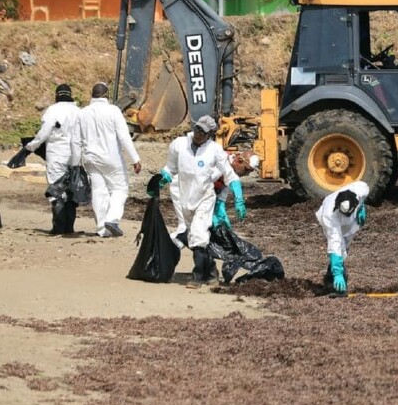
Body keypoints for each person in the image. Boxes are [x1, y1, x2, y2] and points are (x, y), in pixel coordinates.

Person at [152, 116, 243, 287]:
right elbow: (170, 169)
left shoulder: (215, 150)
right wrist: (160, 181)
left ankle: (198, 276)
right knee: (194, 237)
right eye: (197, 129)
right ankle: (211, 272)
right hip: (185, 199)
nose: (199, 134)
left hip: (205, 198)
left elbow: (230, 175)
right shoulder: (178, 145)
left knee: (198, 234)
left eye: (203, 131)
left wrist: (239, 197)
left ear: (210, 134)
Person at [70, 82, 141, 238]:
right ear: (106, 95)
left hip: (90, 159)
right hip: (111, 158)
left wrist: (75, 165)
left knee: (98, 191)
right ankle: (112, 220)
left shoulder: (82, 113)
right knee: (120, 189)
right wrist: (135, 158)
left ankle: (102, 228)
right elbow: (123, 136)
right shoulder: (113, 111)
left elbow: (75, 141)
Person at [168, 150, 258, 248]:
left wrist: (222, 218)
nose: (247, 174)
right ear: (239, 161)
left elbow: (220, 200)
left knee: (193, 230)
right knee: (187, 229)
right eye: (246, 170)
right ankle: (161, 249)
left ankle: (164, 250)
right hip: (183, 185)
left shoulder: (230, 172)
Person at [24, 84, 80, 234]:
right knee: (71, 189)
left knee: (56, 188)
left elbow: (44, 133)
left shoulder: (53, 110)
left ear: (57, 95)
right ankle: (69, 228)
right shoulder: (78, 111)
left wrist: (31, 146)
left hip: (56, 153)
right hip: (75, 154)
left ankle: (59, 227)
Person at [314, 181, 369, 297]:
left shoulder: (359, 189)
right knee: (339, 249)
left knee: (344, 248)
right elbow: (335, 242)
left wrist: (362, 207)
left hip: (351, 223)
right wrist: (338, 273)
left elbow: (365, 190)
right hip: (334, 224)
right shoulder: (330, 216)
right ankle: (336, 281)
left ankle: (331, 281)